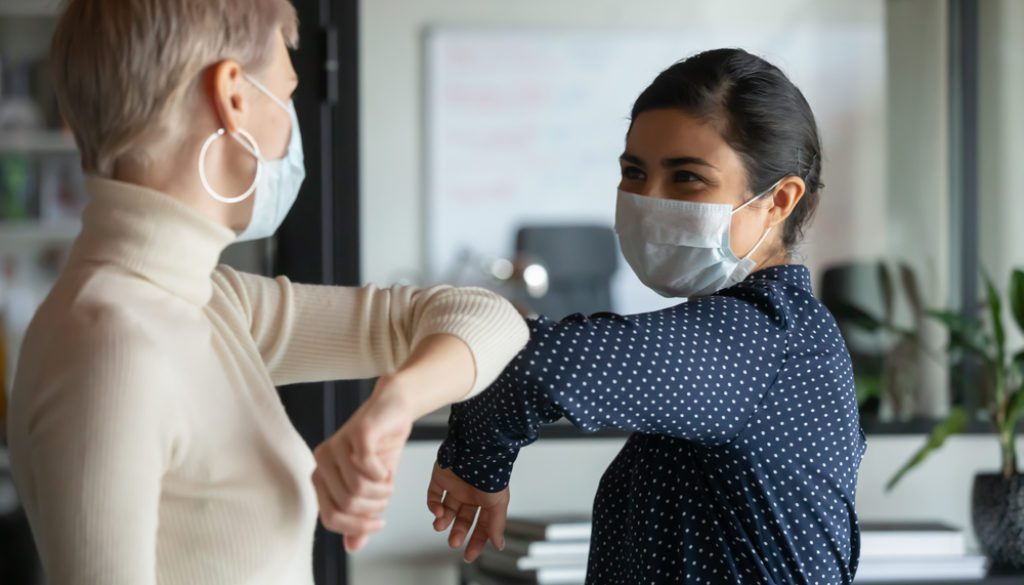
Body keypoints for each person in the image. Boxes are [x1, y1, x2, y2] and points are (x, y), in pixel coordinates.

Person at [5, 1, 528, 584]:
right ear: (232, 95)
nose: (290, 120)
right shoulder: (109, 343)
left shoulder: (206, 299)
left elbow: (489, 317)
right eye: (286, 91)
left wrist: (393, 404)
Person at [341, 48, 867, 583]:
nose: (648, 199)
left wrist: (475, 464)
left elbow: (530, 363)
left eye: (687, 178)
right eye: (634, 172)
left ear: (778, 201)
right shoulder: (770, 337)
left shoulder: (763, 337)